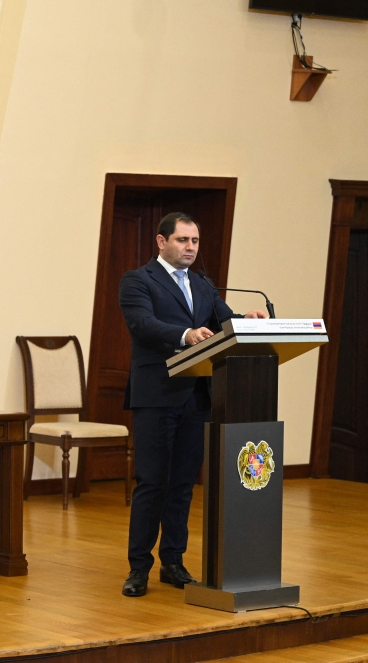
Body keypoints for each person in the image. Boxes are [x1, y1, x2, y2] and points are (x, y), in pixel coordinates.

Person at [118, 212, 267, 598]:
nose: (190, 248)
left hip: (196, 396)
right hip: (156, 395)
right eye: (183, 240)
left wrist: (245, 321)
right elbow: (142, 325)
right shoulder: (137, 280)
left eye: (195, 241)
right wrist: (185, 334)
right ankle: (138, 568)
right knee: (153, 482)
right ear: (161, 241)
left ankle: (173, 561)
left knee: (183, 484)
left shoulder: (202, 284)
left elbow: (223, 321)